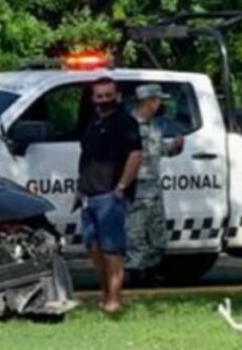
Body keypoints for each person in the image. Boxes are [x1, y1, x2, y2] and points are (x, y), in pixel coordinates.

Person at [75, 77, 143, 313]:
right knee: (95, 249)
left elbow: (136, 155)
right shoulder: (93, 120)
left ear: (117, 96)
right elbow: (87, 157)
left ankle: (114, 300)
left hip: (109, 195)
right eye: (99, 96)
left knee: (113, 250)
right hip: (89, 196)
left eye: (107, 95)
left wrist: (121, 187)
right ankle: (104, 296)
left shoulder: (125, 122)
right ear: (93, 98)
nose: (103, 100)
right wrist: (80, 189)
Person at [126, 84, 184, 287]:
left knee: (157, 238)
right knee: (136, 236)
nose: (160, 104)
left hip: (154, 189)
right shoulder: (127, 126)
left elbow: (159, 151)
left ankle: (151, 275)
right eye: (158, 100)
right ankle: (136, 280)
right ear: (149, 101)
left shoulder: (155, 127)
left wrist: (175, 147)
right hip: (136, 189)